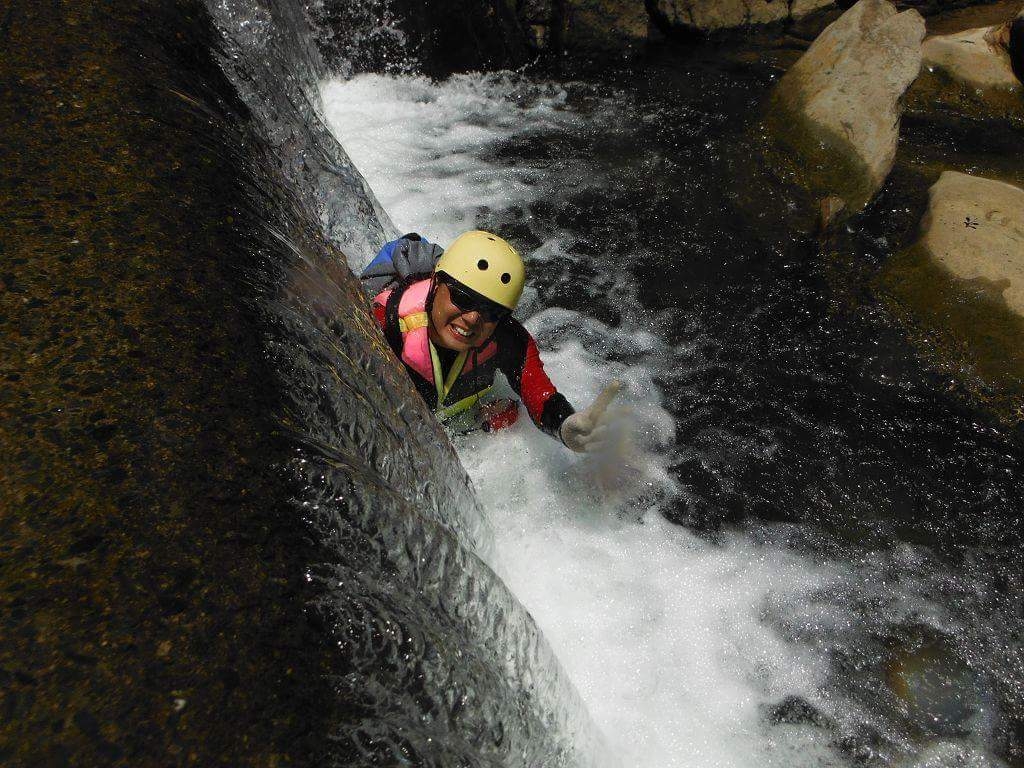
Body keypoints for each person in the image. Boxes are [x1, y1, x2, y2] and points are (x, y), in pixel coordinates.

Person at [361, 230, 618, 452]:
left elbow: (538, 391)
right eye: (462, 299)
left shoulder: (505, 337)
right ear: (436, 284)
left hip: (445, 418)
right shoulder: (387, 319)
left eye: (491, 311)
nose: (472, 319)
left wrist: (565, 426)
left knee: (508, 415)